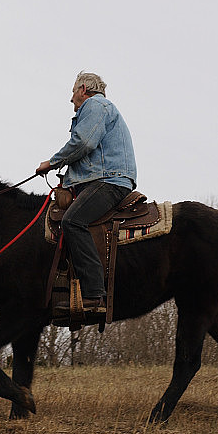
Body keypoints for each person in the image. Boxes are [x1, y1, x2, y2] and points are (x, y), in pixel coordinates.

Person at [36, 72, 137, 313]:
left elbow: (83, 143)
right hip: (105, 178)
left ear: (83, 89)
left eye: (72, 93)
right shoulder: (102, 108)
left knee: (72, 221)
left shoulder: (96, 104)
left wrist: (52, 163)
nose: (71, 100)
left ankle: (93, 295)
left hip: (110, 180)